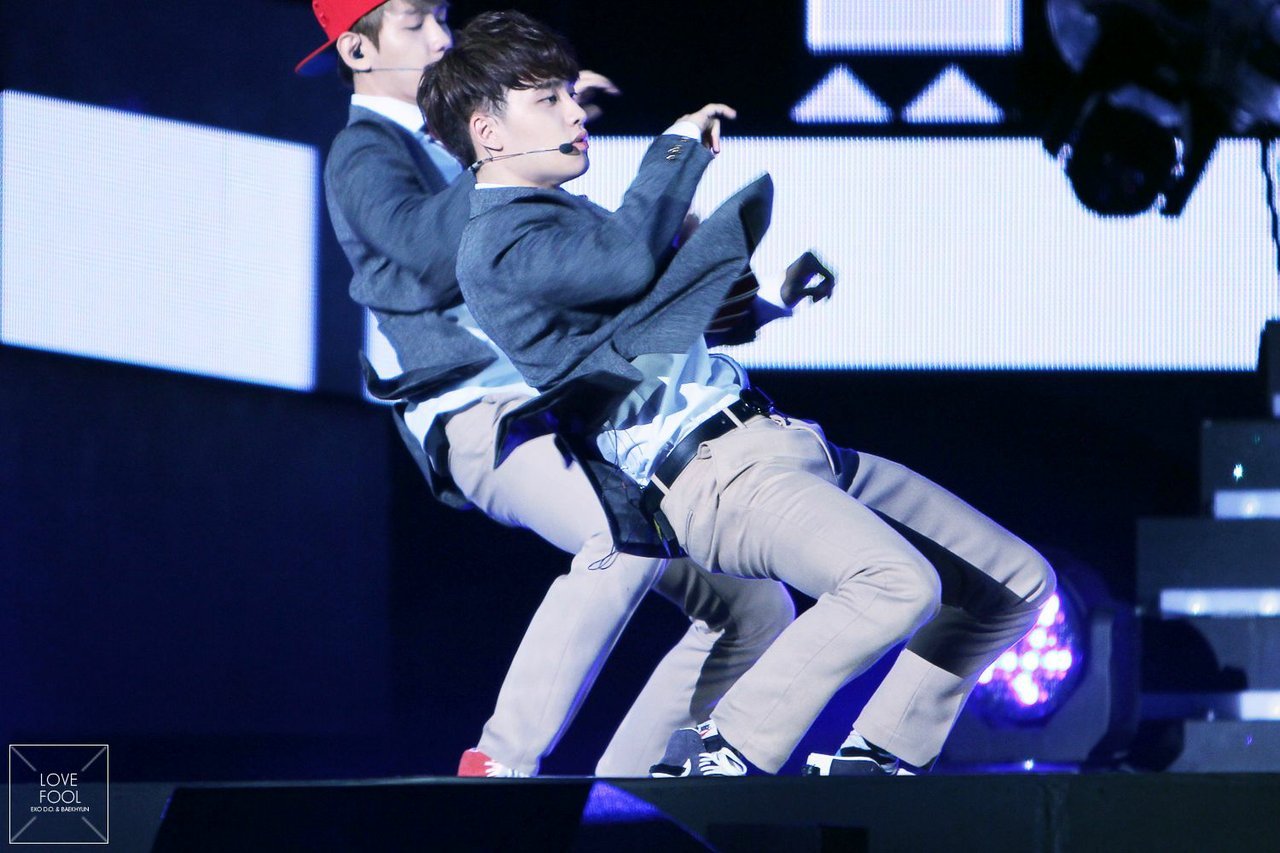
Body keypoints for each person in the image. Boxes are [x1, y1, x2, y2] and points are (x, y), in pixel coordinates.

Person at [422, 10, 1057, 776]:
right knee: (894, 584)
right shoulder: (497, 244)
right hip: (715, 477)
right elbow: (624, 266)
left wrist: (774, 304)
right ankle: (726, 744)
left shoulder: (569, 221)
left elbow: (658, 326)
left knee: (1015, 583)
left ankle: (878, 758)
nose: (574, 112)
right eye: (548, 99)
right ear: (488, 132)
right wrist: (677, 148)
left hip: (782, 443)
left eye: (569, 94)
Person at [298, 0, 808, 778]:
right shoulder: (363, 152)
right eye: (414, 22)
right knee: (620, 538)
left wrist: (751, 304)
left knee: (754, 603)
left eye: (442, 16)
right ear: (358, 53)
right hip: (483, 408)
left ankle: (636, 788)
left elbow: (611, 286)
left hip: (577, 398)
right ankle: (499, 763)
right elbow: (424, 255)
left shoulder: (511, 165)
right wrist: (507, 147)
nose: (441, 37)